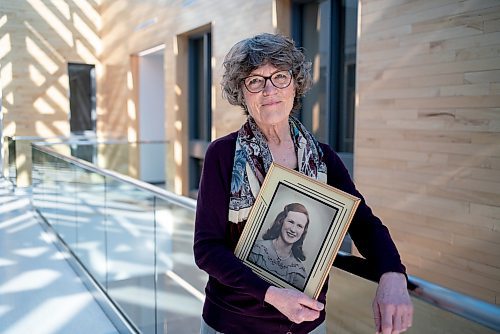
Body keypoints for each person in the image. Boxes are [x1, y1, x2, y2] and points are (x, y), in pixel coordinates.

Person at [194, 33, 413, 334]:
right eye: (255, 81)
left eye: (280, 77)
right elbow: (207, 249)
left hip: (306, 325)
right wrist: (273, 295)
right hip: (234, 324)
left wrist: (392, 274)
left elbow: (364, 224)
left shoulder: (323, 159)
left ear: (295, 85)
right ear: (241, 93)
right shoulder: (223, 154)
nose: (269, 89)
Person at [248, 203, 309, 290]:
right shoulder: (256, 248)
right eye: (291, 222)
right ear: (281, 221)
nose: (293, 229)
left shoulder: (298, 271)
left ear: (303, 232)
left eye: (299, 226)